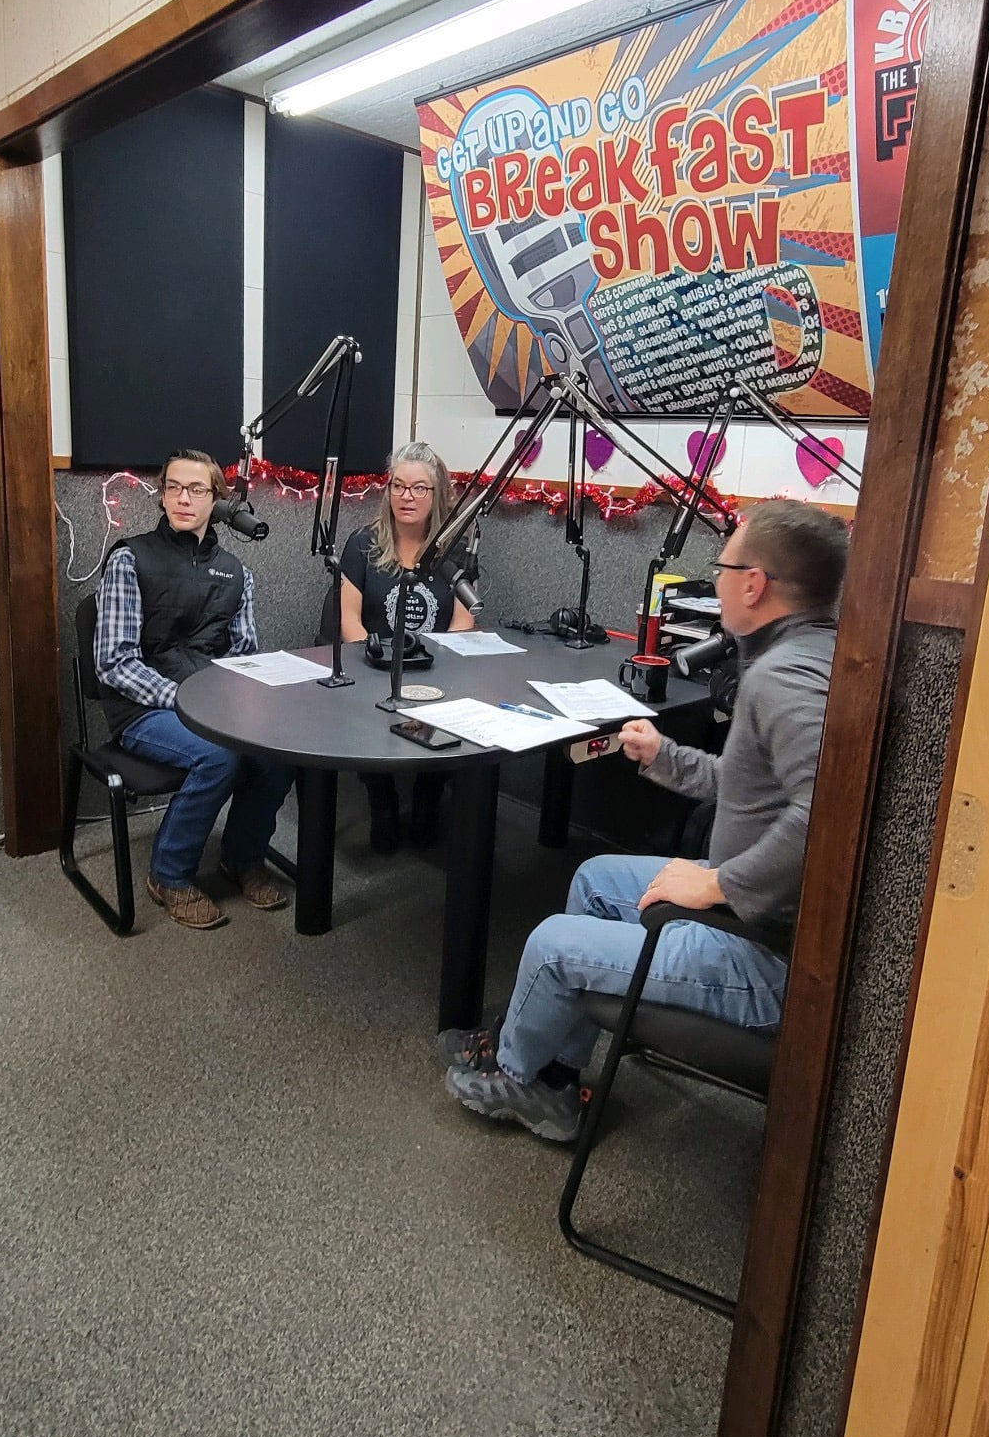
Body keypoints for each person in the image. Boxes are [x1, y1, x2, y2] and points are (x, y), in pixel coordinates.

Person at [443, 499, 849, 1142]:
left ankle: (518, 1075)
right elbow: (752, 788)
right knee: (595, 880)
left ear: (754, 584)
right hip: (751, 910)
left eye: (722, 569)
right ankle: (556, 1079)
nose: (715, 581)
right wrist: (665, 757)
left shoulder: (784, 677)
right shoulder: (812, 651)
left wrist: (717, 884)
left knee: (550, 943)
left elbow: (827, 810)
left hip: (764, 954)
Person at [95, 448, 296, 929]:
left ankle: (242, 857)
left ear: (217, 501)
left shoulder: (237, 573)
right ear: (163, 496)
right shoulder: (129, 559)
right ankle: (169, 874)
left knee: (279, 752)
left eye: (196, 489)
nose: (184, 498)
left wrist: (253, 702)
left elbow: (243, 655)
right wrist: (186, 702)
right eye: (174, 488)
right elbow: (114, 662)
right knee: (219, 756)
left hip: (210, 704)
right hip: (144, 709)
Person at [337, 441, 475, 853]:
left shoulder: (455, 550)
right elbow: (348, 619)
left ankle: (429, 796)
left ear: (437, 494)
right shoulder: (362, 543)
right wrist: (374, 662)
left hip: (435, 671)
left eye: (418, 488)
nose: (406, 497)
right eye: (398, 486)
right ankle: (381, 800)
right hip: (373, 666)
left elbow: (464, 622)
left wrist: (441, 668)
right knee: (368, 708)